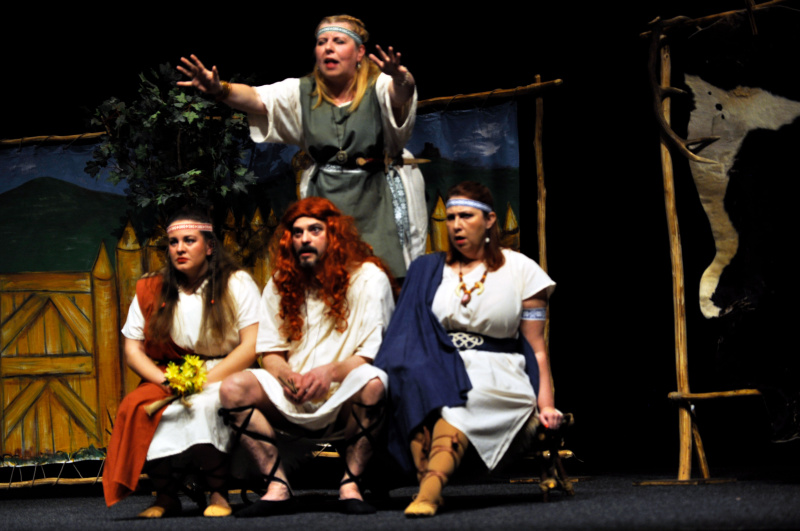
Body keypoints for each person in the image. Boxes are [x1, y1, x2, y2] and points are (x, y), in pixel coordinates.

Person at [177, 14, 426, 279]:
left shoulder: (380, 85)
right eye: (322, 42)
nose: (328, 48)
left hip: (378, 194)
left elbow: (401, 95)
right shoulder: (303, 91)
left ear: (359, 52)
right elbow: (257, 98)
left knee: (385, 274)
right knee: (328, 276)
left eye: (339, 41)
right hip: (325, 196)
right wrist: (220, 89)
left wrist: (401, 77)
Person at [374, 181, 563, 517]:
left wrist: (546, 405)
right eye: (450, 218)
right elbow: (406, 336)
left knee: (459, 404)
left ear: (489, 220)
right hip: (436, 365)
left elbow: (537, 348)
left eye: (466, 216)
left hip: (498, 373)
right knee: (408, 387)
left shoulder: (521, 269)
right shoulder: (429, 270)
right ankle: (425, 483)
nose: (456, 225)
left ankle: (430, 492)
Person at [218, 197, 394, 517]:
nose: (305, 239)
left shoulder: (369, 278)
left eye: (315, 230)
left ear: (334, 234)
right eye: (297, 233)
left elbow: (372, 354)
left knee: (374, 382)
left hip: (344, 393)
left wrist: (330, 373)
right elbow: (270, 352)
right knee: (232, 388)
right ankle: (277, 487)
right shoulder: (281, 281)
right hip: (293, 393)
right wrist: (288, 376)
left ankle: (350, 486)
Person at [103, 209, 261, 518]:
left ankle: (219, 494)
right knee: (140, 410)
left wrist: (204, 381)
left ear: (209, 246)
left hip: (226, 371)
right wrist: (165, 381)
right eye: (174, 242)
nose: (180, 248)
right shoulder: (154, 287)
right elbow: (132, 349)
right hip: (172, 373)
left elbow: (251, 345)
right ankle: (166, 497)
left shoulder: (236, 282)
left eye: (189, 240)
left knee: (203, 407)